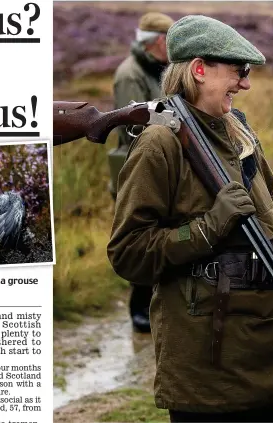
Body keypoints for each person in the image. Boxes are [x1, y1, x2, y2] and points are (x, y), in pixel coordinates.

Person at [107, 15, 273, 422]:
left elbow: (271, 204)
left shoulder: (237, 130)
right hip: (210, 364)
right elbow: (129, 253)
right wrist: (209, 226)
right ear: (200, 69)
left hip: (271, 344)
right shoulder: (158, 144)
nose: (246, 83)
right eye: (239, 71)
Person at [111, 12, 174, 333]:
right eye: (171, 41)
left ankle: (156, 304)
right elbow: (131, 129)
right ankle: (139, 309)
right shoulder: (129, 74)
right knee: (140, 238)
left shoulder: (156, 70)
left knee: (161, 235)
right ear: (160, 42)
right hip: (136, 169)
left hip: (157, 166)